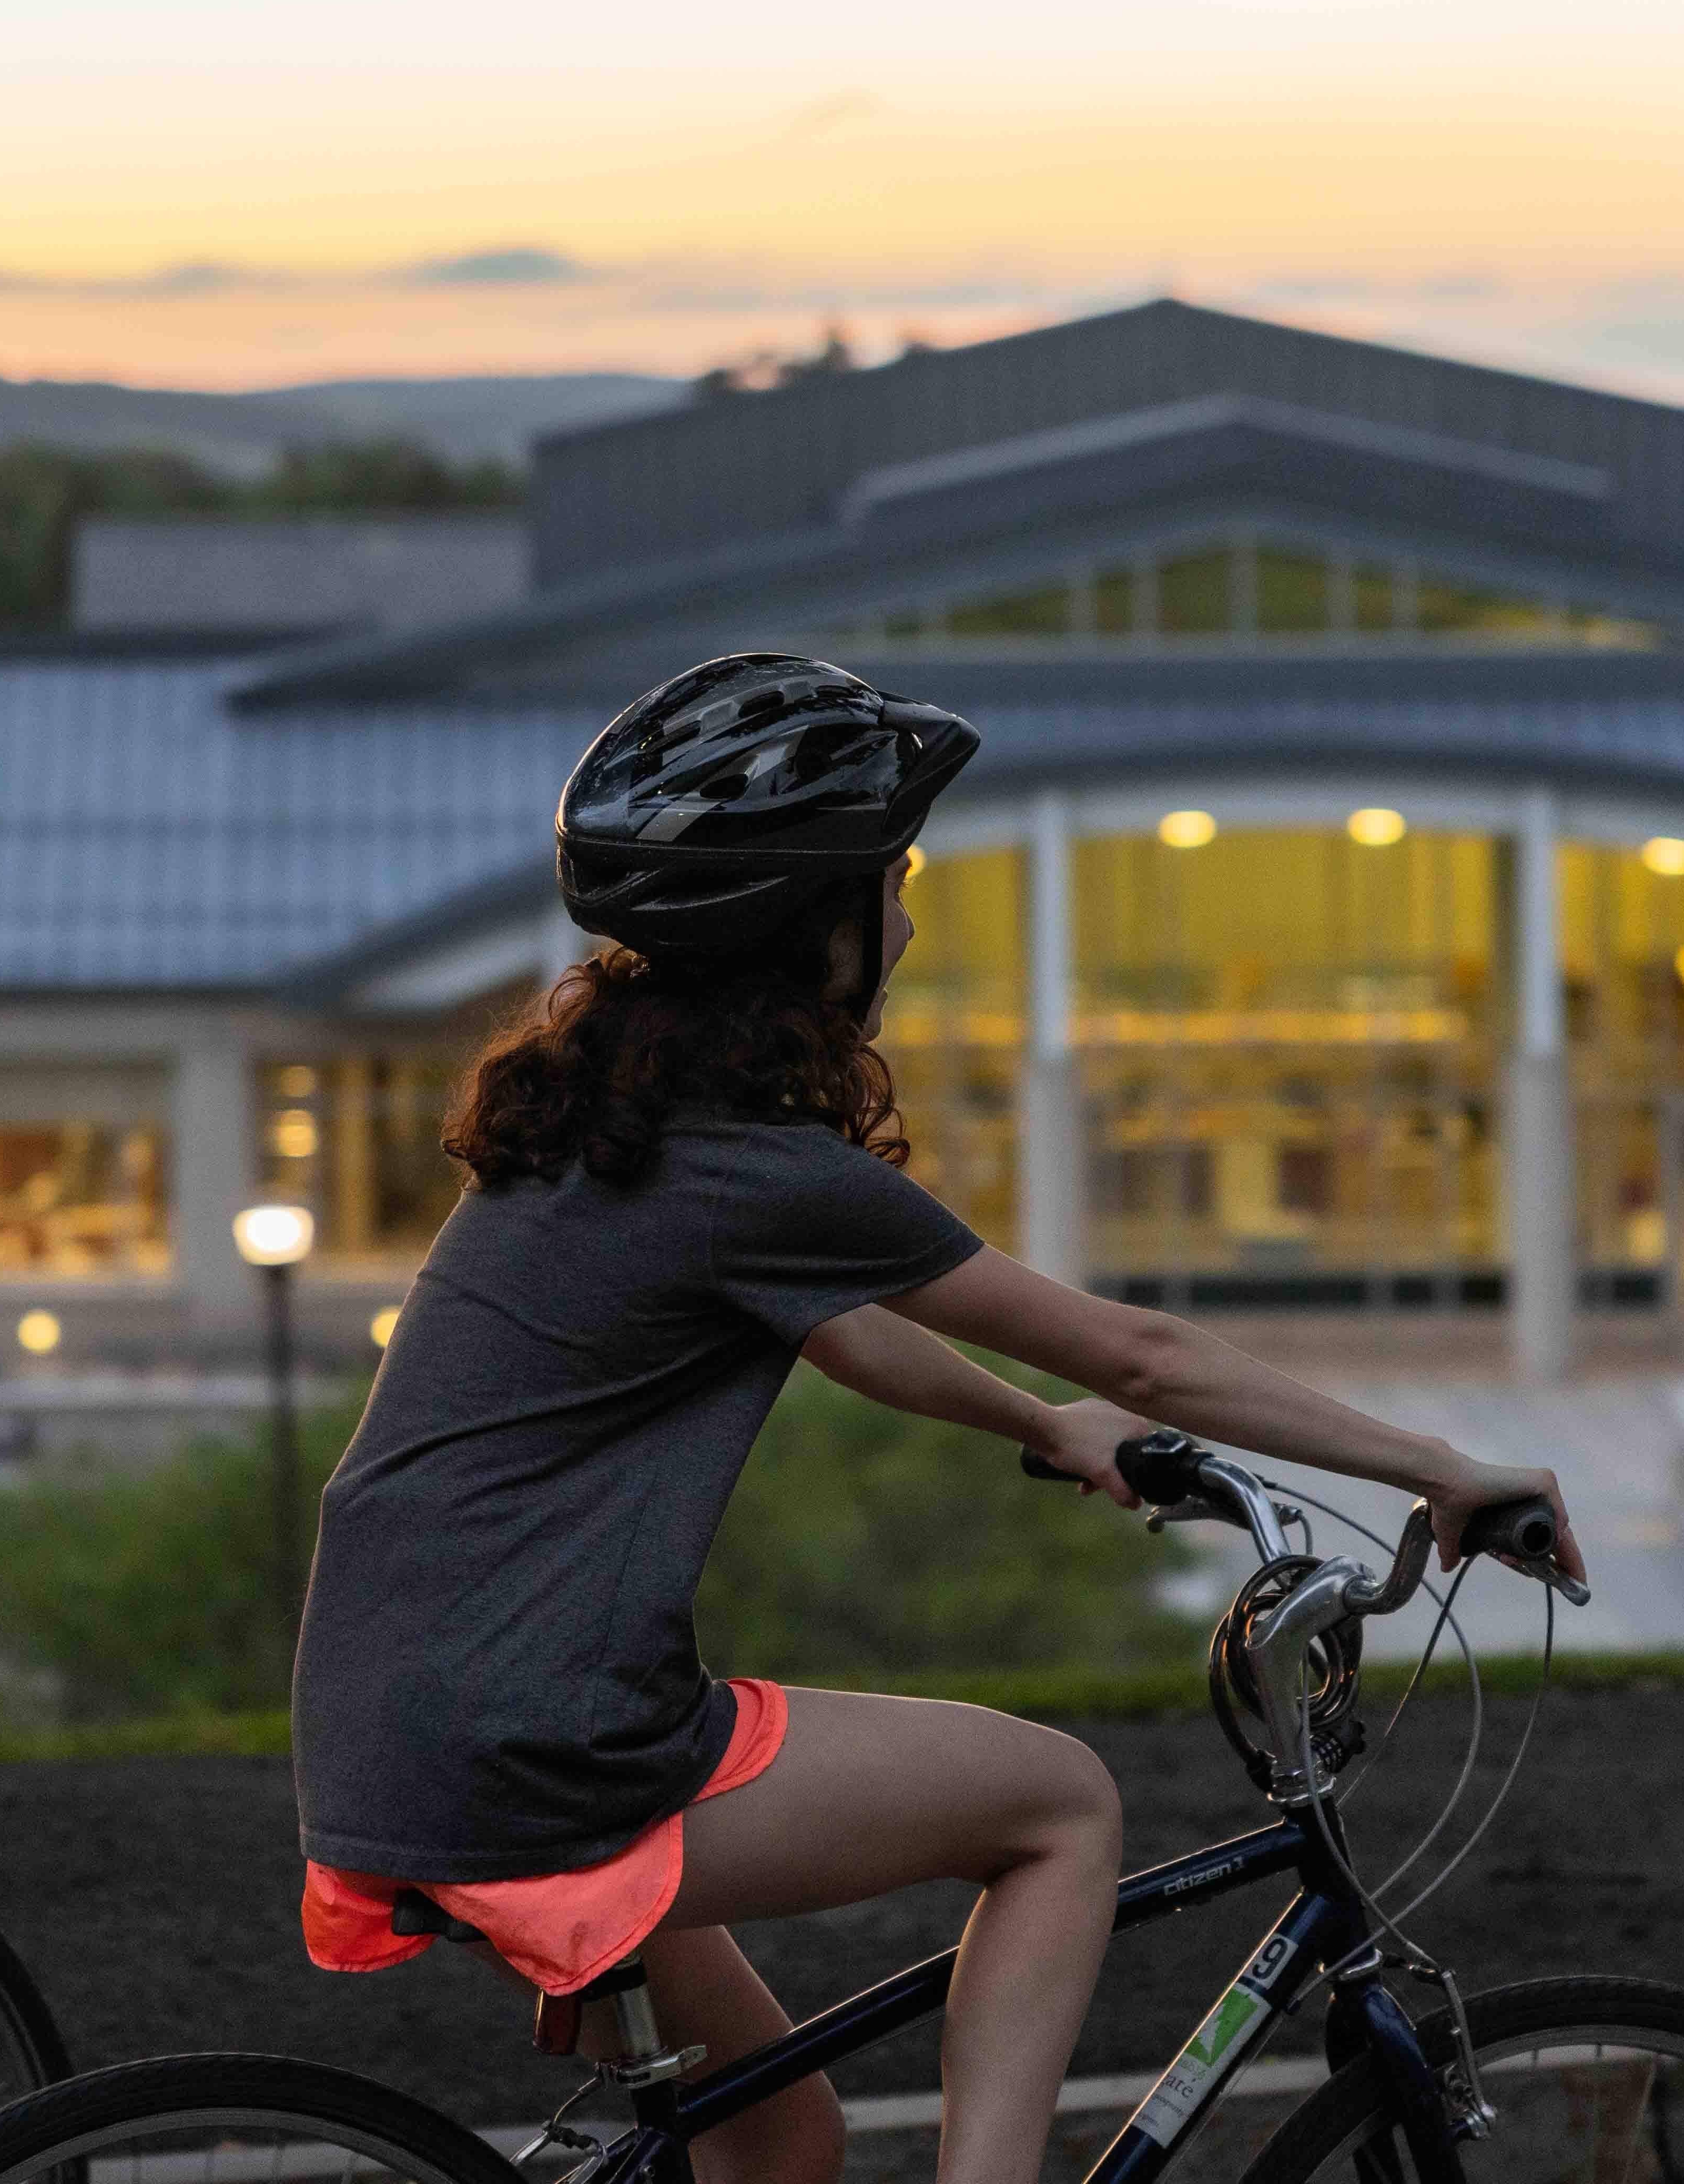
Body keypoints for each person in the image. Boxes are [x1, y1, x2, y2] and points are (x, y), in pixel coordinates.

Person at [289, 654, 1585, 2184]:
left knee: (780, 2139)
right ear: (813, 926)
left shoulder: (604, 1123)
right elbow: (1145, 1353)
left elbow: (849, 1333)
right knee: (1061, 1806)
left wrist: (1045, 1426)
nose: (907, 916)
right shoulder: (756, 1168)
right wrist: (1441, 1468)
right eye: (893, 881)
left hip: (397, 1719)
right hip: (544, 1745)